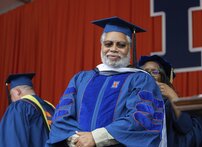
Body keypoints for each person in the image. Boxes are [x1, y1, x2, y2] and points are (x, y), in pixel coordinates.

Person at [47, 16, 165, 147]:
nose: (113, 49)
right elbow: (61, 116)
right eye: (108, 44)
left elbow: (141, 118)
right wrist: (75, 139)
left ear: (129, 48)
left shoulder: (140, 80)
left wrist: (96, 138)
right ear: (101, 46)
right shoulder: (81, 79)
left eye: (121, 45)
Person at [138, 55, 202, 147]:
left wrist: (172, 95)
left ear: (163, 77)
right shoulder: (133, 101)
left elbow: (185, 127)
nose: (150, 74)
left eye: (155, 71)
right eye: (146, 72)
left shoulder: (169, 103)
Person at [0, 73, 55, 147]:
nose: (12, 100)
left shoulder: (19, 107)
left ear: (17, 92)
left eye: (11, 95)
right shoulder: (50, 107)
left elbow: (12, 141)